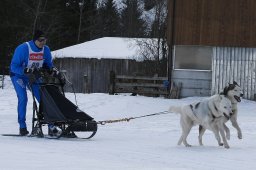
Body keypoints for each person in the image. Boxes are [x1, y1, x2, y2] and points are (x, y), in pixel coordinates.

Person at [10, 30, 60, 136]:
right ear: (35, 40)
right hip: (18, 76)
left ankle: (51, 125)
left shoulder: (46, 49)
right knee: (23, 98)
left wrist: (53, 70)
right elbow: (13, 67)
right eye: (40, 40)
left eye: (44, 40)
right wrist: (24, 70)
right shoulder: (23, 48)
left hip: (33, 76)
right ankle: (22, 127)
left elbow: (48, 64)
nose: (43, 42)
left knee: (43, 98)